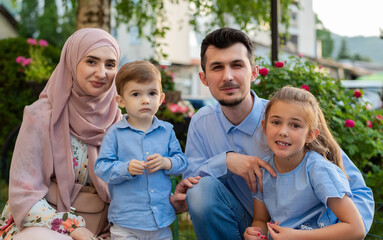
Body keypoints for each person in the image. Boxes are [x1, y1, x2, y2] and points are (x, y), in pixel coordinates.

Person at [181, 27, 374, 239]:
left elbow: (358, 192)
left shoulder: (288, 120)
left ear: (253, 72)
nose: (227, 76)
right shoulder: (201, 122)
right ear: (203, 77)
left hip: (308, 230)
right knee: (201, 190)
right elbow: (191, 185)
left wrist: (344, 231)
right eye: (217, 67)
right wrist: (226, 162)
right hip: (252, 227)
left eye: (237, 65)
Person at [0, 28, 121, 240]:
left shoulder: (120, 123)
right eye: (91, 61)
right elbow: (24, 194)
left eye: (110, 64)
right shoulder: (40, 115)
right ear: (71, 62)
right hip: (44, 229)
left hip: (104, 232)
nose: (102, 73)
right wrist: (72, 229)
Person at [244, 86, 365, 240]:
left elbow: (356, 228)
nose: (283, 131)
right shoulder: (263, 172)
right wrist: (255, 233)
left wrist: (296, 236)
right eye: (276, 122)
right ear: (264, 127)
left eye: (295, 125)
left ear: (310, 135)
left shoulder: (318, 170)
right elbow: (260, 220)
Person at [95, 61, 188, 240]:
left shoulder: (167, 131)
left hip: (160, 222)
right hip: (126, 223)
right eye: (136, 94)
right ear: (121, 101)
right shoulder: (115, 133)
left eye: (152, 93)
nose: (146, 100)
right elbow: (101, 167)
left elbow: (182, 162)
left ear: (161, 99)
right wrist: (126, 168)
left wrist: (166, 162)